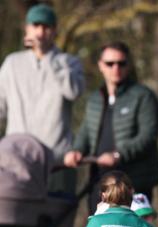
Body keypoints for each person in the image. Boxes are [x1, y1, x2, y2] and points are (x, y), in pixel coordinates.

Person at [63, 42, 158, 213]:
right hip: (100, 182)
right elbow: (86, 130)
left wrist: (118, 155)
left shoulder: (143, 96)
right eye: (110, 63)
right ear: (101, 65)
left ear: (128, 65)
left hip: (134, 182)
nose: (116, 68)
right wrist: (76, 150)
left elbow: (147, 136)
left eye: (121, 63)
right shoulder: (94, 99)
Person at [0, 3, 84, 195]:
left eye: (46, 27)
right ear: (27, 29)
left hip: (57, 161)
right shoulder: (12, 63)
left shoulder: (68, 62)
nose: (40, 32)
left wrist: (50, 60)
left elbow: (74, 91)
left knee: (56, 221)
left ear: (54, 31)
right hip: (17, 161)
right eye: (35, 26)